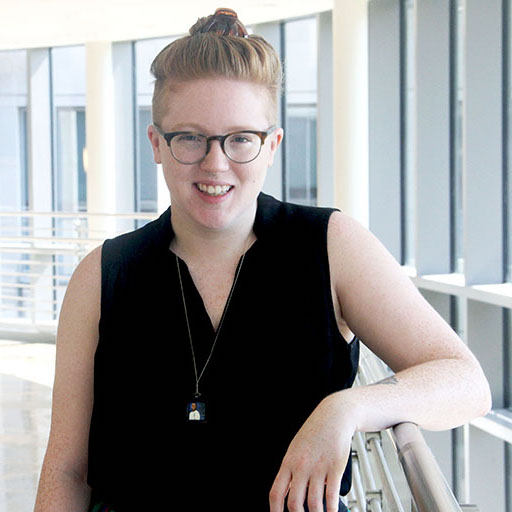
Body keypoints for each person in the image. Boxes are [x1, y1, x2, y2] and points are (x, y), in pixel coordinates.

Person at [34, 7, 491, 512]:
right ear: (157, 144)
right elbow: (66, 471)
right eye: (190, 137)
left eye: (241, 139)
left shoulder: (330, 245)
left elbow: (465, 381)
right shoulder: (101, 276)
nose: (216, 163)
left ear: (271, 145)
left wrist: (348, 406)